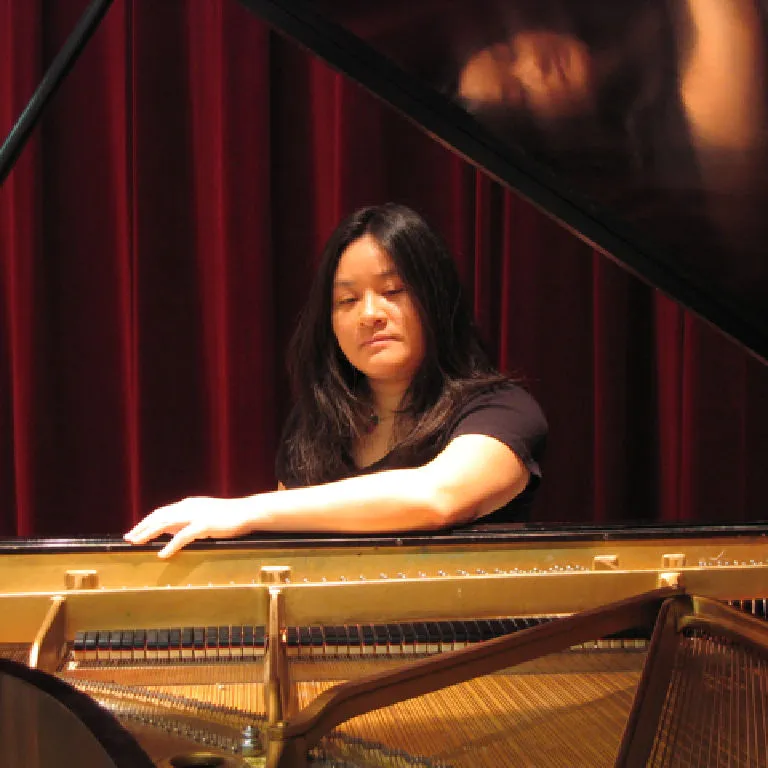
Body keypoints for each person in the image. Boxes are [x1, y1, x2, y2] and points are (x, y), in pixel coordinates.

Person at [125, 203, 547, 558]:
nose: (369, 314)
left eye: (393, 291)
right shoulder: (314, 425)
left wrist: (245, 510)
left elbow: (438, 498)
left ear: (436, 299)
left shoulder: (502, 408)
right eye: (347, 300)